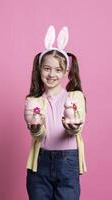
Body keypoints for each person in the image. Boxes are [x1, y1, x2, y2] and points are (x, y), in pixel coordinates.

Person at [24, 25, 87, 200]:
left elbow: (77, 125)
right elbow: (38, 134)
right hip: (40, 163)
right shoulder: (33, 101)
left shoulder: (75, 96)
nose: (52, 74)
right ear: (39, 69)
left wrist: (73, 126)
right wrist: (36, 128)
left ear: (66, 72)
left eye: (58, 70)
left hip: (68, 162)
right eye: (47, 68)